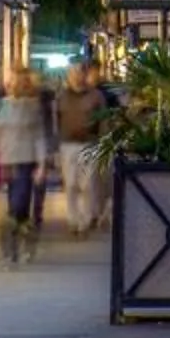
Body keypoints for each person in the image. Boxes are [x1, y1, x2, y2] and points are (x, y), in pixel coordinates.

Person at [0, 66, 48, 262]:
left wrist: (42, 165)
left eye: (21, 81)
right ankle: (13, 246)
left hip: (26, 161)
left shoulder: (33, 107)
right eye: (13, 81)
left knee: (20, 204)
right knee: (10, 206)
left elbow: (39, 137)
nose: (16, 85)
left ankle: (20, 241)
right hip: (4, 161)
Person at [55, 58, 109, 234]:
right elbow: (55, 120)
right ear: (69, 76)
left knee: (88, 184)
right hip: (67, 145)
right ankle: (73, 219)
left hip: (90, 144)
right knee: (70, 184)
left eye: (80, 73)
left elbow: (104, 121)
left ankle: (86, 219)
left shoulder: (96, 96)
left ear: (85, 75)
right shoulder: (61, 96)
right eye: (73, 74)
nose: (77, 77)